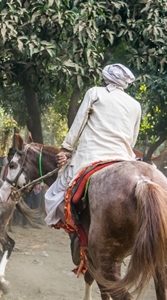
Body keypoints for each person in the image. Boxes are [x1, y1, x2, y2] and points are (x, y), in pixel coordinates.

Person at [44, 63, 141, 227]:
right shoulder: (135, 105)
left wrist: (66, 149)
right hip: (124, 159)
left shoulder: (95, 93)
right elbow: (132, 139)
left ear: (106, 78)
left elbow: (78, 123)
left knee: (53, 194)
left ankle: (76, 227)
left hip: (90, 158)